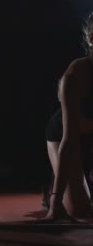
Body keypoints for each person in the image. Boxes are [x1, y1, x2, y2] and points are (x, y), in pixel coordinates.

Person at [43, 13, 93, 222]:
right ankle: (53, 192)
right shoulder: (76, 75)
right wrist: (55, 205)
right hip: (66, 137)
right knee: (78, 209)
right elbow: (70, 139)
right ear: (92, 38)